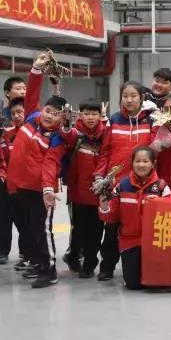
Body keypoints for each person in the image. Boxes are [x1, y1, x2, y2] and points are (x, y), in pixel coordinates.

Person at [8, 56, 68, 289]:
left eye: (55, 114)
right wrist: (36, 68)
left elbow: (50, 165)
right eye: (48, 110)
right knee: (28, 229)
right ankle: (35, 262)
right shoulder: (32, 117)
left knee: (41, 230)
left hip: (41, 192)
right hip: (18, 187)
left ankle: (48, 270)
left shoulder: (57, 138)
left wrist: (47, 190)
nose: (49, 115)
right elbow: (32, 93)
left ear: (62, 118)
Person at [47, 100, 107, 278]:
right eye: (86, 114)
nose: (90, 117)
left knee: (96, 229)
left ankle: (89, 264)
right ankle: (73, 255)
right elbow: (66, 134)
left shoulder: (106, 133)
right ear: (80, 115)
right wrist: (66, 124)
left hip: (98, 189)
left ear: (100, 116)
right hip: (78, 190)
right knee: (78, 228)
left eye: (94, 114)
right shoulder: (76, 132)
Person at [99, 146, 170, 290]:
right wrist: (104, 206)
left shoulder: (161, 187)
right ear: (132, 163)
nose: (141, 165)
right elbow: (111, 217)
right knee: (133, 284)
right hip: (129, 241)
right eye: (137, 161)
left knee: (155, 284)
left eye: (145, 161)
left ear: (153, 163)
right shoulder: (122, 186)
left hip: (154, 243)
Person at [0, 75, 27, 265]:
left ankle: (25, 250)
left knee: (25, 215)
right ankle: (2, 251)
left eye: (24, 88)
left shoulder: (31, 114)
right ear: (7, 93)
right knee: (5, 214)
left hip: (25, 176)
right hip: (6, 174)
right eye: (18, 88)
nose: (22, 91)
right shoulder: (1, 116)